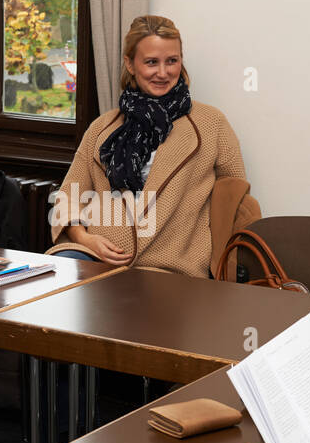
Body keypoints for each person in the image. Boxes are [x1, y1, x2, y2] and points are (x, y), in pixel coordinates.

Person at [48, 15, 256, 276]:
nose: (163, 72)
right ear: (130, 64)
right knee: (55, 278)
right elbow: (68, 197)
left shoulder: (211, 124)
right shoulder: (102, 128)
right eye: (151, 62)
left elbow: (234, 198)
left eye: (172, 61)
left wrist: (219, 262)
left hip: (172, 266)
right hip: (96, 258)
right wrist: (85, 239)